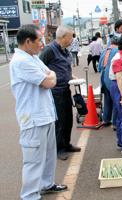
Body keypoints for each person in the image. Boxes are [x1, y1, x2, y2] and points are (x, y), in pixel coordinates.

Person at [9, 24, 67, 200]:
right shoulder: (21, 61)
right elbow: (49, 81)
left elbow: (51, 74)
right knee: (33, 160)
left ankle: (46, 184)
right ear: (28, 42)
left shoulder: (32, 58)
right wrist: (49, 77)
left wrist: (49, 77)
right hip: (33, 118)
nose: (42, 44)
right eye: (39, 40)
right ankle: (30, 195)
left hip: (45, 115)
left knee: (49, 155)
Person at [40, 26, 81, 161]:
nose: (72, 39)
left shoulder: (65, 51)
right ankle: (59, 149)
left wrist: (73, 77)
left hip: (66, 89)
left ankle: (66, 143)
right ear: (63, 37)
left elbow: (65, 69)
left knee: (68, 118)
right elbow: (40, 67)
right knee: (60, 120)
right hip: (55, 92)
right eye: (70, 37)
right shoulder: (49, 50)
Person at [98, 36, 119, 128]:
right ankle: (115, 123)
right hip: (111, 78)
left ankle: (106, 119)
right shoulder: (117, 51)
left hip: (103, 77)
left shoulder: (104, 51)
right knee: (116, 100)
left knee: (107, 99)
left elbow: (99, 67)